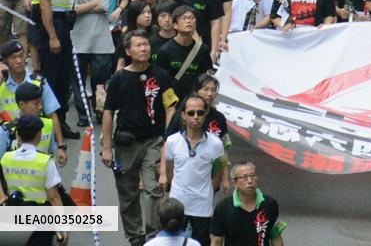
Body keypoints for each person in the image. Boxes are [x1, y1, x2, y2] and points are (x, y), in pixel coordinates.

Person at [102, 30, 179, 246]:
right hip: (126, 143)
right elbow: (108, 113)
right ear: (128, 51)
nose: (143, 48)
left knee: (153, 188)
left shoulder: (161, 76)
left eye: (146, 44)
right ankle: (135, 237)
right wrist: (107, 147)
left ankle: (153, 235)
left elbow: (170, 106)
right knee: (127, 193)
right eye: (138, 45)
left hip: (154, 140)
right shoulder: (118, 78)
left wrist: (167, 136)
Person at [160, 93, 224, 246]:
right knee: (173, 243)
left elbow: (218, 172)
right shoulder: (172, 141)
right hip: (177, 205)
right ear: (183, 115)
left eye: (200, 112)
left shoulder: (215, 144)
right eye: (191, 113)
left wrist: (209, 192)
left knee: (200, 243)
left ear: (206, 113)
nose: (196, 117)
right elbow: (169, 167)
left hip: (202, 206)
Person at [30, 0, 75, 138]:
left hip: (61, 24)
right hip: (52, 26)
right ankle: (50, 128)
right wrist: (53, 36)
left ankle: (62, 123)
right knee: (52, 78)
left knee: (63, 76)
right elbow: (45, 5)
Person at [68, 0, 114, 127]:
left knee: (100, 80)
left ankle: (99, 108)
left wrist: (82, 7)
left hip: (101, 39)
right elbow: (72, 10)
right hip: (78, 38)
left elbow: (104, 6)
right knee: (78, 81)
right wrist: (93, 2)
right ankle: (82, 115)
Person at [0, 114, 64, 243]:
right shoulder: (45, 161)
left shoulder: (5, 158)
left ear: (17, 135)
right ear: (39, 135)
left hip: (11, 217)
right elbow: (53, 197)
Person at [210, 161, 284, 246]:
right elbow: (217, 241)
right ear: (235, 183)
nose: (250, 181)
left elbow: (275, 237)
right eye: (244, 177)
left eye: (252, 176)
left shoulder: (270, 204)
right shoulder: (223, 207)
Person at [156, 6, 213, 98]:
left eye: (192, 18)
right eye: (184, 18)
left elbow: (206, 77)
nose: (188, 21)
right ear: (175, 25)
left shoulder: (203, 50)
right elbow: (161, 81)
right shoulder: (165, 50)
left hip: (195, 98)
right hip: (172, 99)